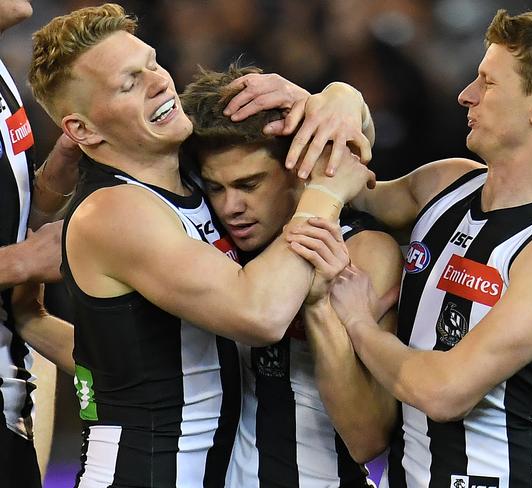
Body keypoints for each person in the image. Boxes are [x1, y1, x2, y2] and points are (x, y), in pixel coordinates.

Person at [27, 4, 373, 487]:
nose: (159, 83)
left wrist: (338, 98)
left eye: (151, 63)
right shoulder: (115, 212)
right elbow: (259, 313)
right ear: (83, 130)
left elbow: (145, 360)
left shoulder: (192, 173)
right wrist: (325, 192)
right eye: (129, 84)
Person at [326, 9, 532, 488]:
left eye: (488, 82)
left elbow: (444, 392)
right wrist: (337, 98)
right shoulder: (446, 184)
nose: (467, 94)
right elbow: (340, 181)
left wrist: (357, 322)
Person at [181, 65, 403, 487]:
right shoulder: (200, 234)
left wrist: (318, 309)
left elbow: (369, 437)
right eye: (216, 188)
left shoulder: (362, 250)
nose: (231, 207)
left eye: (249, 184)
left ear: (300, 169)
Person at [0, 1, 79, 486]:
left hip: (14, 401)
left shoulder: (3, 74)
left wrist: (56, 174)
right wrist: (28, 259)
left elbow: (12, 215)